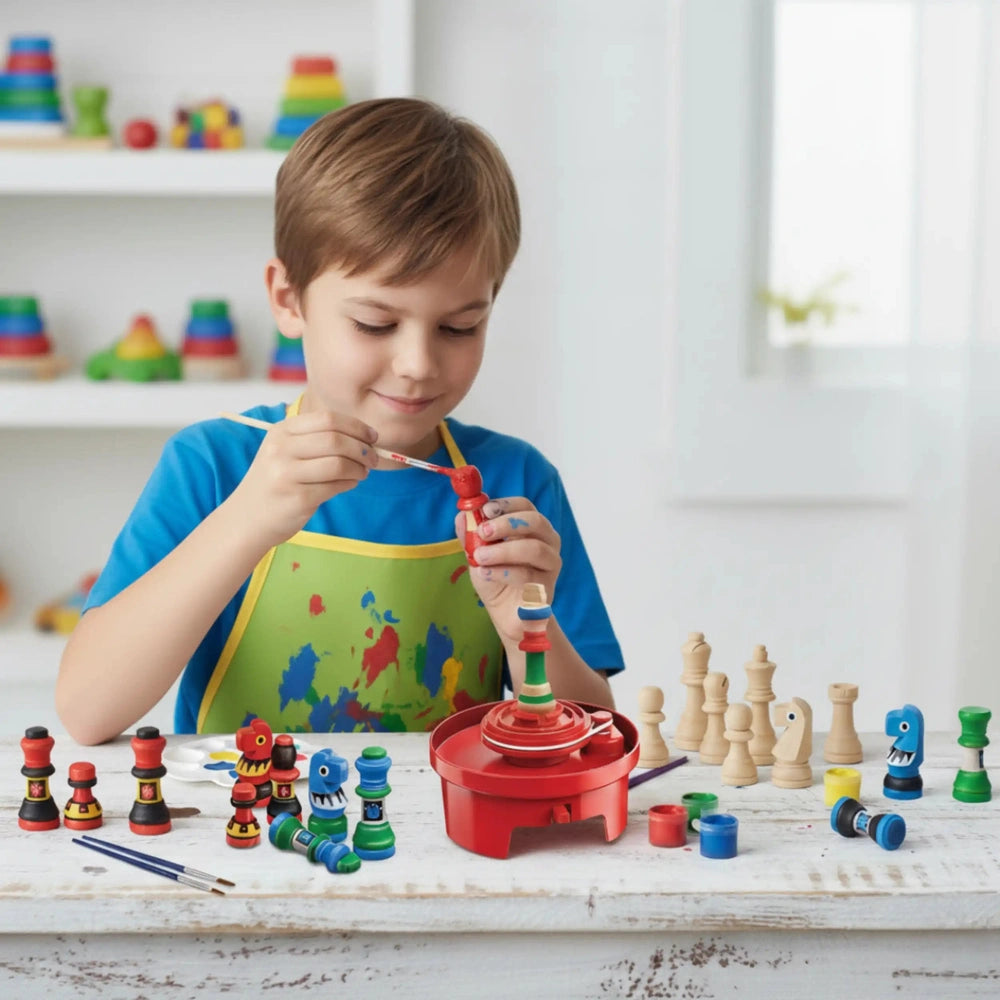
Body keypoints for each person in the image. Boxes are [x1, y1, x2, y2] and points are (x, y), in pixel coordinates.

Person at [56, 98, 623, 745]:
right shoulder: (213, 464)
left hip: (439, 837)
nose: (416, 364)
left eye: (459, 326)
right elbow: (86, 710)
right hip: (245, 832)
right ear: (287, 300)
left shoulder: (516, 481)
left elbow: (594, 739)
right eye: (375, 323)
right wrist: (247, 520)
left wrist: (526, 623)